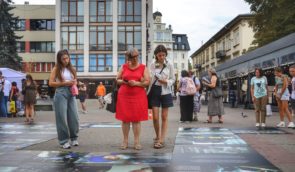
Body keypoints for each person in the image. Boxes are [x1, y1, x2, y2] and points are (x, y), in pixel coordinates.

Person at [116, 47, 150, 150]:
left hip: (138, 96)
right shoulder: (123, 67)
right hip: (124, 96)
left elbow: (147, 82)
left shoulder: (143, 68)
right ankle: (125, 141)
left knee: (136, 120)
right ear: (129, 58)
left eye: (136, 56)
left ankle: (136, 141)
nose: (135, 59)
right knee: (125, 120)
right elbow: (117, 79)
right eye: (133, 57)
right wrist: (124, 82)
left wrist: (136, 83)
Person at [49, 49, 79, 149]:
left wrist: (75, 82)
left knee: (74, 117)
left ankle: (74, 138)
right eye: (63, 59)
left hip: (71, 93)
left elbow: (75, 80)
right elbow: (51, 83)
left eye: (67, 58)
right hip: (60, 93)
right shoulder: (56, 69)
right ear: (60, 60)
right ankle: (63, 141)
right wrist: (64, 83)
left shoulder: (72, 69)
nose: (66, 60)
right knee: (61, 118)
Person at [148, 45, 175, 149]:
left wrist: (166, 81)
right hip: (155, 90)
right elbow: (149, 77)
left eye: (163, 55)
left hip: (166, 91)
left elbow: (173, 79)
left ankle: (161, 139)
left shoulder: (170, 64)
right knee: (155, 117)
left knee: (164, 117)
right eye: (159, 55)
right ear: (156, 55)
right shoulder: (152, 64)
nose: (162, 57)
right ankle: (157, 136)